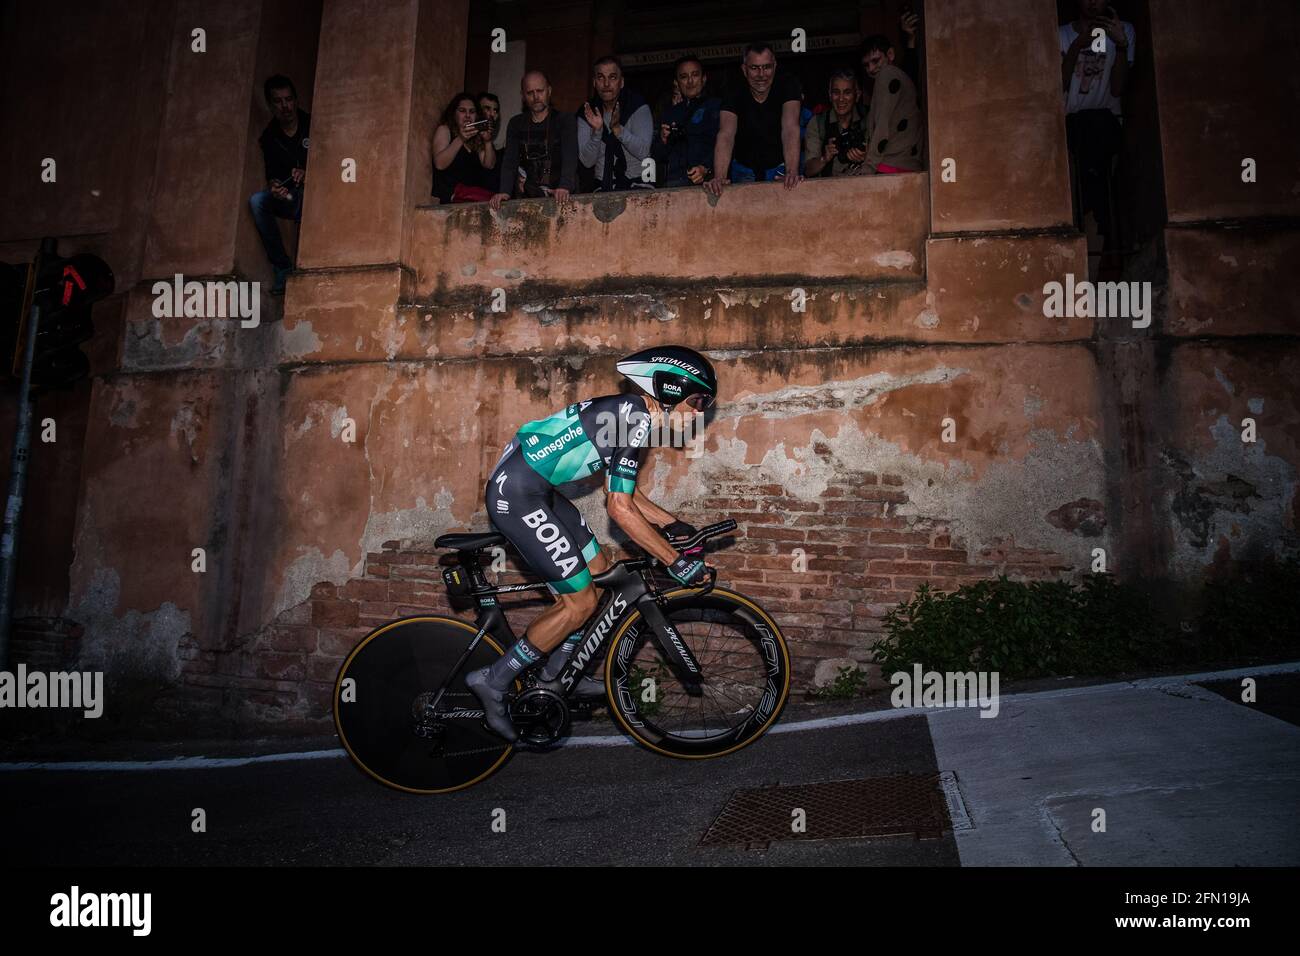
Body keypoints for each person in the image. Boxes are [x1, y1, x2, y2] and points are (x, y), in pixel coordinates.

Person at [465, 346, 719, 742]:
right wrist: (674, 561)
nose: (700, 411)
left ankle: (558, 673)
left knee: (599, 574)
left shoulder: (632, 412)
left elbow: (621, 492)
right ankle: (494, 680)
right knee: (579, 602)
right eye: (698, 400)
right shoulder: (634, 417)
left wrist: (674, 525)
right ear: (670, 389)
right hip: (519, 494)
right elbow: (619, 509)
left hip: (539, 491)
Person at [1060, 0, 1135, 247]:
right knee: (1077, 196)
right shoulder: (1062, 34)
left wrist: (1121, 45)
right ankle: (1092, 244)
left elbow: (1117, 89)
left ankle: (1103, 246)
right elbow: (1059, 83)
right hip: (1070, 124)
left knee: (1105, 192)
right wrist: (1078, 44)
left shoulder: (1122, 31)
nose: (1093, 2)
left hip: (1105, 123)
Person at [708, 42, 803, 196]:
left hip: (779, 166)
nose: (761, 75)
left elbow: (790, 128)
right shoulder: (733, 89)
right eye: (754, 68)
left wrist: (791, 171)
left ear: (775, 66)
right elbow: (726, 134)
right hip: (744, 167)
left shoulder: (787, 84)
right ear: (744, 69)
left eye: (767, 67)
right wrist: (719, 177)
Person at [249, 74, 310, 295]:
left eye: (289, 99)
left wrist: (307, 173)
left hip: (313, 195)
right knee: (258, 202)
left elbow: (329, 167)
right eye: (278, 101)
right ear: (270, 105)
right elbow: (272, 175)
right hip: (290, 197)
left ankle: (308, 270)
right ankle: (282, 268)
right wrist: (275, 187)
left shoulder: (311, 125)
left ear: (296, 100)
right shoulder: (269, 137)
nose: (285, 106)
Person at [491, 70, 578, 208]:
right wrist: (504, 191)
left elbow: (570, 156)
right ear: (523, 96)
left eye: (540, 91)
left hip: (561, 196)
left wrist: (565, 186)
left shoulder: (564, 120)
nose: (536, 97)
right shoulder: (516, 124)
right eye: (530, 93)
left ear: (549, 91)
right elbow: (509, 161)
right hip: (529, 199)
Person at [577, 56, 654, 192]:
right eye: (600, 78)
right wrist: (597, 132)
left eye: (612, 77)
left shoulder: (637, 106)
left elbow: (644, 152)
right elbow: (587, 162)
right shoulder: (587, 112)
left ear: (622, 82)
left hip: (640, 182)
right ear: (594, 83)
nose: (606, 84)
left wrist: (618, 130)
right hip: (604, 185)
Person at [860, 35, 924, 174]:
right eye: (866, 65)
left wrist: (868, 167)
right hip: (908, 165)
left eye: (875, 61)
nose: (871, 68)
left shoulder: (887, 74)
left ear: (890, 54)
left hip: (891, 165)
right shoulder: (900, 77)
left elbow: (881, 125)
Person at [655, 55, 721, 188]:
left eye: (695, 75)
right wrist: (662, 139)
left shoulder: (717, 106)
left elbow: (724, 143)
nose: (690, 81)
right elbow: (658, 156)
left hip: (709, 183)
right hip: (674, 184)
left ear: (704, 78)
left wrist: (706, 167)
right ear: (676, 83)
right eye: (684, 77)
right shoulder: (670, 112)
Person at [432, 92, 497, 204]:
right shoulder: (445, 130)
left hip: (473, 200)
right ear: (454, 113)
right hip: (452, 200)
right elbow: (439, 164)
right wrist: (461, 138)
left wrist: (487, 141)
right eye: (462, 111)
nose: (467, 115)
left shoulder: (476, 137)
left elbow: (489, 165)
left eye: (472, 112)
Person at [804, 69, 868, 178]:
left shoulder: (868, 118)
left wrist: (867, 156)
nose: (841, 99)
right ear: (829, 95)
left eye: (847, 92)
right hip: (828, 189)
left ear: (857, 95)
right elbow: (808, 170)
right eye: (836, 92)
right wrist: (825, 158)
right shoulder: (818, 123)